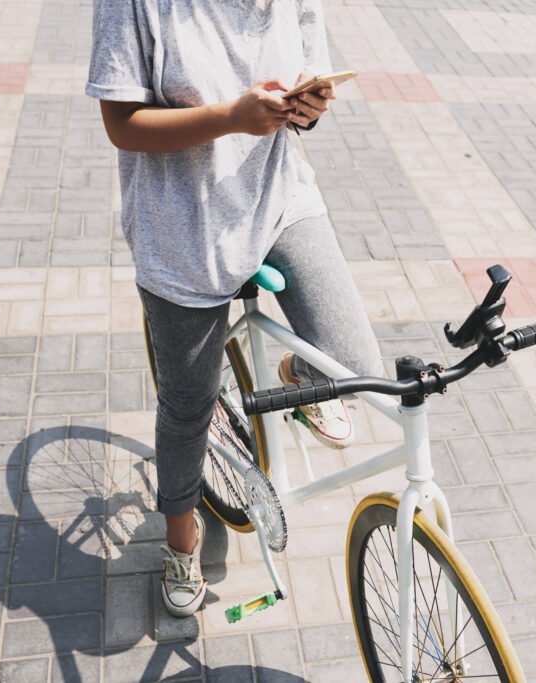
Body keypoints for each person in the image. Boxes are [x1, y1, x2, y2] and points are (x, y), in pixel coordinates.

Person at [86, 0, 381, 617]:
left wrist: (307, 110)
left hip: (279, 197)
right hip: (182, 224)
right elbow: (122, 125)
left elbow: (306, 104)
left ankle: (298, 381)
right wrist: (231, 118)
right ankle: (180, 542)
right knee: (189, 406)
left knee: (352, 364)